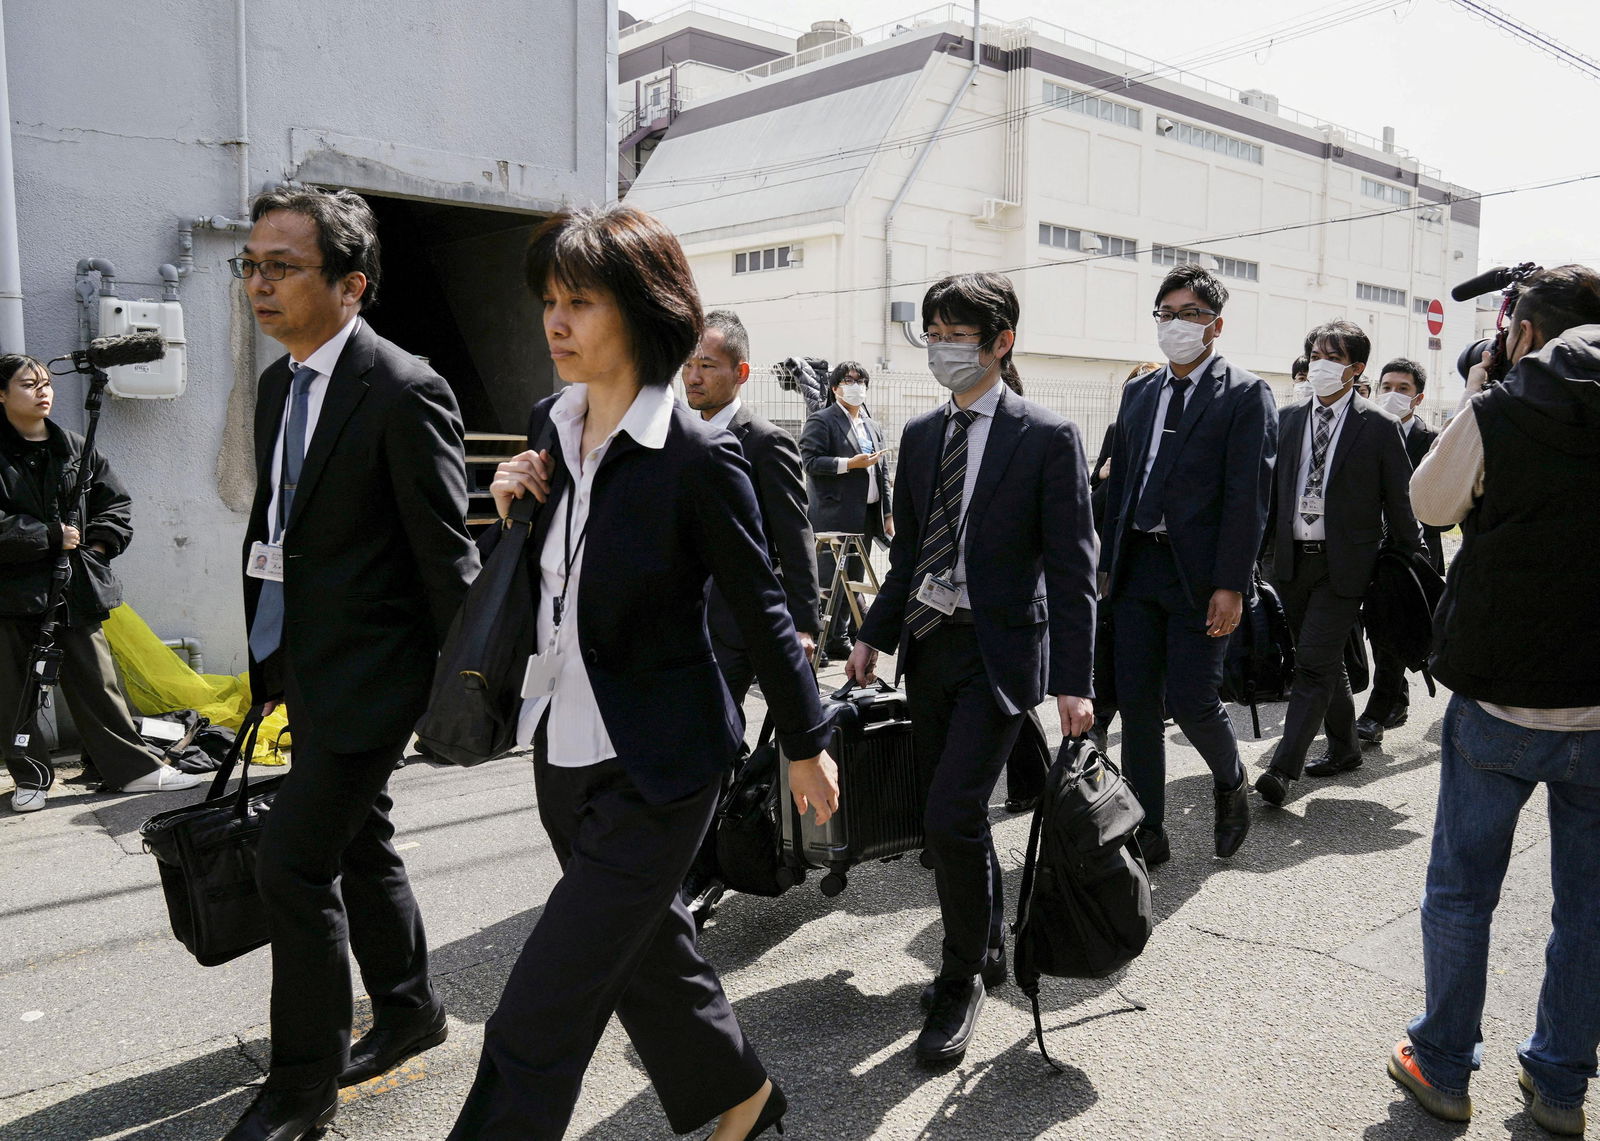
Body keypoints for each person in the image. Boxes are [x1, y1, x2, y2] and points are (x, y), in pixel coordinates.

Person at [448, 204, 838, 1141]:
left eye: (580, 300)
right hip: (562, 749)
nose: (556, 321)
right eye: (550, 300)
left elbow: (764, 603)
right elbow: (561, 575)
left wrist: (807, 741)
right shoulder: (550, 419)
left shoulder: (699, 457)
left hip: (664, 764)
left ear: (643, 310)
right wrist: (512, 506)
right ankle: (742, 1098)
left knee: (542, 1004)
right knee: (647, 950)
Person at [225, 188, 478, 1141]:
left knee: (292, 863)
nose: (259, 283)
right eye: (251, 265)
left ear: (351, 283)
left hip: (378, 676)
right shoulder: (275, 384)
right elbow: (275, 527)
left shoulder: (405, 388)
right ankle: (410, 1006)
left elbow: (446, 556)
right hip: (304, 661)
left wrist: (468, 692)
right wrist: (268, 652)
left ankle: (301, 1086)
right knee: (359, 837)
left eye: (281, 267)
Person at [845, 272, 1096, 1066]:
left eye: (959, 334)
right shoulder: (921, 436)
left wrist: (1075, 681)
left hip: (1000, 654)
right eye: (935, 333)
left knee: (951, 813)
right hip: (930, 646)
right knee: (945, 811)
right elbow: (911, 552)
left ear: (1001, 343)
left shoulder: (1047, 437)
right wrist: (872, 637)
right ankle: (984, 939)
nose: (944, 348)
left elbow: (1073, 568)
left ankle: (960, 980)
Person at [1387, 265, 1600, 1136]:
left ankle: (1441, 1066)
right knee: (1588, 907)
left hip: (1501, 699)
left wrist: (1479, 396)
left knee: (1463, 889)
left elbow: (1430, 505)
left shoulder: (1504, 406)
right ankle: (1559, 1087)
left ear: (1523, 331)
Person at [1098, 265, 1276, 866]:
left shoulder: (1246, 394)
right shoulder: (1139, 391)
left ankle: (1230, 781)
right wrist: (1104, 560)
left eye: (1191, 314)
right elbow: (1121, 483)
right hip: (1136, 569)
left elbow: (1248, 498)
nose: (1176, 324)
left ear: (1216, 325)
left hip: (1200, 577)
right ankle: (1147, 829)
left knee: (1194, 698)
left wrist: (1231, 582)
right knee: (1139, 703)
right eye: (1166, 313)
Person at [0, 355, 201, 811]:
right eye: (29, 384)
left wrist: (97, 549)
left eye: (47, 383)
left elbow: (116, 504)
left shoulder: (73, 446)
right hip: (10, 593)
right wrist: (48, 536)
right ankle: (30, 778)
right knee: (15, 692)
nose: (43, 391)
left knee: (97, 684)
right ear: (2, 394)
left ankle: (134, 770)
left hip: (73, 588)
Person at [1253, 321, 1422, 808]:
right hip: (1289, 563)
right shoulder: (1285, 419)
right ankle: (1346, 748)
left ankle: (1283, 770)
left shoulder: (1379, 427)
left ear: (1355, 368)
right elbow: (1268, 498)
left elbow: (1401, 502)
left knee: (1311, 666)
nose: (1318, 363)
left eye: (1331, 355)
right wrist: (1255, 559)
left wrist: (1410, 562)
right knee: (1326, 664)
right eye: (1314, 354)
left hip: (1346, 568)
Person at [683, 309, 820, 706]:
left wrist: (804, 625)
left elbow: (795, 535)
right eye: (688, 365)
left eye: (707, 366)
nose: (693, 377)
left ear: (741, 373)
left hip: (736, 624)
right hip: (684, 622)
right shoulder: (677, 436)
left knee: (715, 724)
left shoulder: (766, 442)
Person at [1357, 357, 1447, 744]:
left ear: (1419, 397)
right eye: (1387, 387)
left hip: (1413, 555)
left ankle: (1378, 711)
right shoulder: (1366, 431)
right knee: (1381, 629)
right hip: (1371, 549)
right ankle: (1396, 701)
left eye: (1403, 389)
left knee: (1391, 628)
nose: (1393, 395)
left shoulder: (1432, 440)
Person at [1085, 361, 1162, 754]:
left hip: (1155, 559)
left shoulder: (1173, 433)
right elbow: (1093, 500)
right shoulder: (1118, 432)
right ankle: (1099, 721)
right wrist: (1105, 479)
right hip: (1111, 554)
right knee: (1106, 637)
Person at [800, 361, 892, 658]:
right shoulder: (823, 420)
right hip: (833, 514)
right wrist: (848, 464)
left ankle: (839, 638)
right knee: (828, 581)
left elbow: (883, 472)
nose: (856, 386)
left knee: (853, 580)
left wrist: (887, 513)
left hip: (866, 513)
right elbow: (810, 462)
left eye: (861, 380)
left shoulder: (871, 424)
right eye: (849, 380)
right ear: (835, 386)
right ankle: (818, 640)